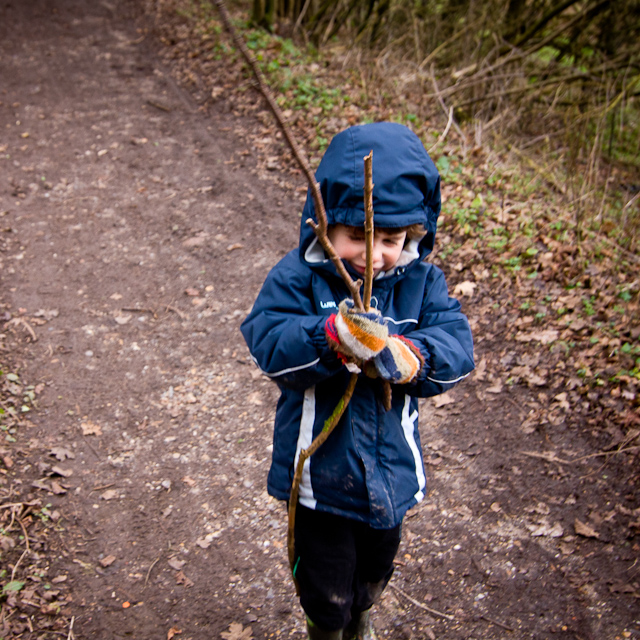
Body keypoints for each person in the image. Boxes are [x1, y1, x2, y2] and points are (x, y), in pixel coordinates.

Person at [240, 122, 474, 640]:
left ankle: (362, 609)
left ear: (413, 235)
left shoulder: (421, 283)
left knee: (374, 568)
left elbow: (458, 346)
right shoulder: (300, 277)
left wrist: (412, 357)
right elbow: (269, 341)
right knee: (326, 587)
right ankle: (327, 627)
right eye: (357, 238)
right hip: (319, 481)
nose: (373, 257)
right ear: (324, 227)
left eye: (390, 240)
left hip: (390, 473)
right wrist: (331, 337)